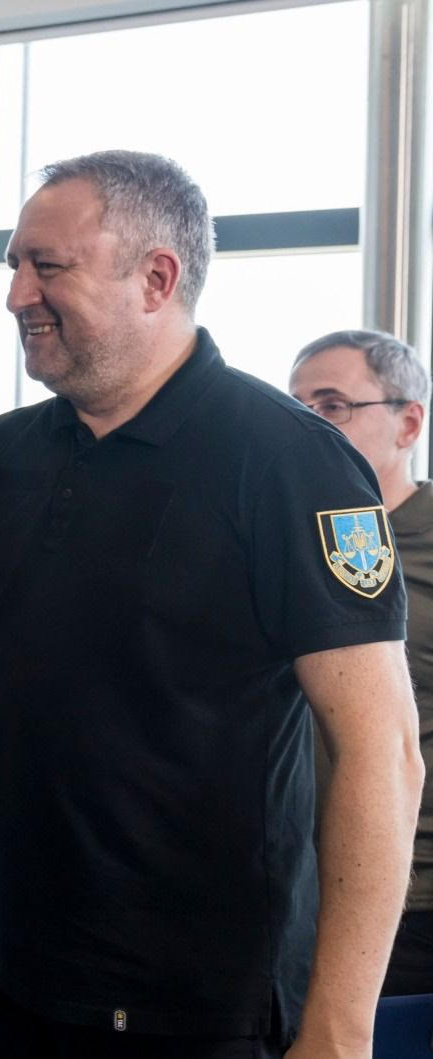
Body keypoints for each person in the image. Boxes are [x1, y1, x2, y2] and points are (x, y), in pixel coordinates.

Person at [0, 151, 422, 1057]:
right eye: (14, 264)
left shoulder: (294, 465)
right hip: (1, 989)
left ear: (156, 278)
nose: (16, 294)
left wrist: (340, 1025)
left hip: (201, 1009)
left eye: (48, 266)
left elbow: (380, 751)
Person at [290, 329, 433, 997]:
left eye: (333, 405)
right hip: (287, 888)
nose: (309, 426)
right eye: (296, 408)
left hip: (412, 899)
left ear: (409, 423)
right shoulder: (280, 537)